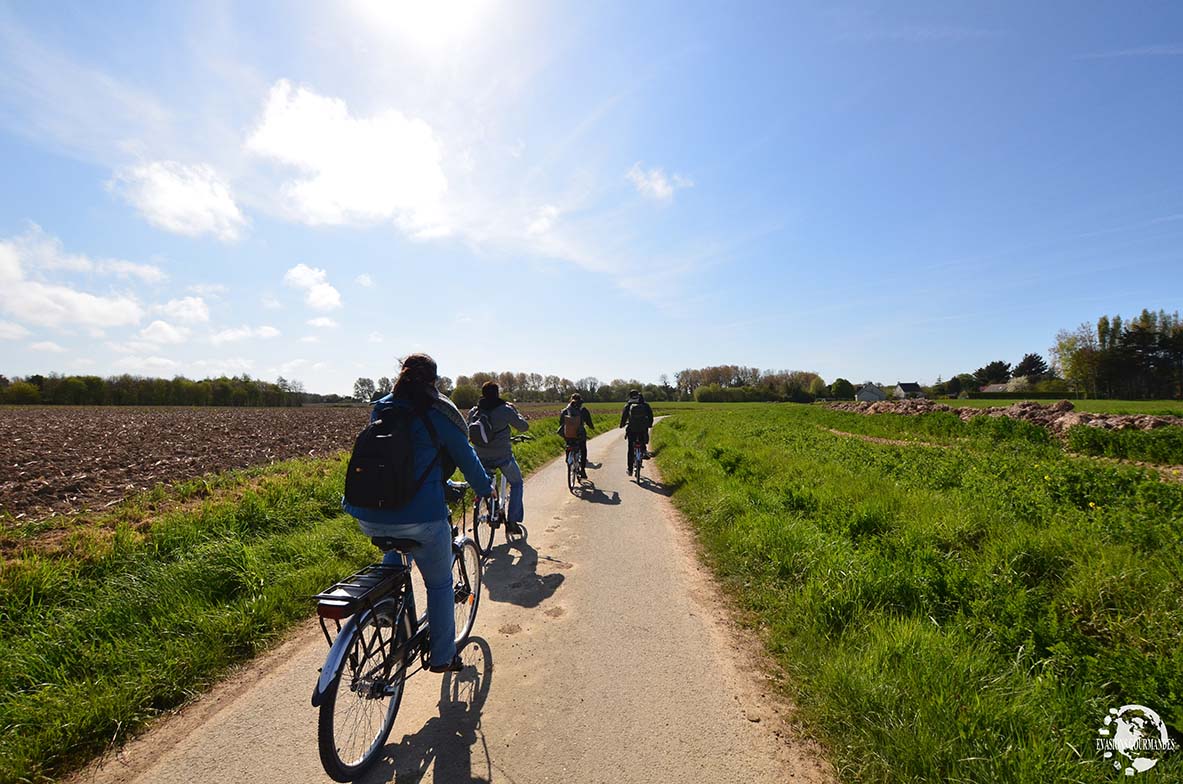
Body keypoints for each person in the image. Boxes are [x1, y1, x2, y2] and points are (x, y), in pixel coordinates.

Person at [342, 353, 493, 673]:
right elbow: (467, 459)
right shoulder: (439, 410)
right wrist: (484, 488)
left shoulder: (383, 406)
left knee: (395, 545)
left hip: (368, 513)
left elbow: (396, 464)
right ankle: (442, 656)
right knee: (439, 585)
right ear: (434, 381)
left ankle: (389, 606)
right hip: (422, 516)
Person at [470, 381, 530, 531]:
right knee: (516, 483)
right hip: (502, 456)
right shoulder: (505, 410)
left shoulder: (474, 411)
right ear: (497, 393)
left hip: (481, 456)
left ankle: (493, 509)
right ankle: (512, 521)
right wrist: (515, 411)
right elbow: (524, 427)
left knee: (488, 480)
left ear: (483, 394)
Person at [556, 393, 594, 478]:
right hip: (580, 435)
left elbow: (561, 424)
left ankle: (568, 459)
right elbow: (589, 423)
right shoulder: (583, 410)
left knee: (569, 445)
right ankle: (583, 470)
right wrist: (592, 427)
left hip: (568, 435)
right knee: (583, 450)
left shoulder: (565, 410)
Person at [620, 389, 654, 475]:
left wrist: (622, 425)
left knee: (631, 449)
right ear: (638, 395)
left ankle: (630, 469)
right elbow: (650, 415)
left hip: (632, 429)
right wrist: (649, 424)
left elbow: (624, 417)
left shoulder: (628, 405)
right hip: (642, 429)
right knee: (642, 440)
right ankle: (644, 451)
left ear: (630, 396)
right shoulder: (644, 404)